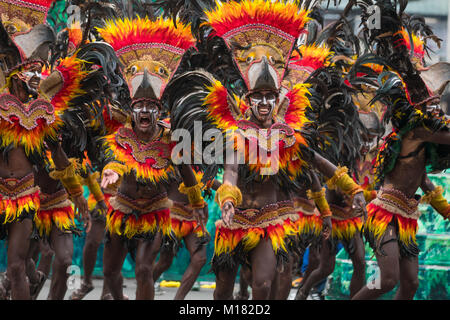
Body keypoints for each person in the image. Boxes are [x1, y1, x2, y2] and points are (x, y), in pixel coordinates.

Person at [165, 0, 367, 300]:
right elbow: (231, 171)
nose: (263, 103)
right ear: (248, 97)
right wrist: (229, 199)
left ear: (277, 101)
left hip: (271, 220)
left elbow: (317, 164)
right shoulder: (237, 133)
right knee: (222, 291)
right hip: (235, 219)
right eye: (257, 96)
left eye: (269, 97)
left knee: (261, 285)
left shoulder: (288, 136)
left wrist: (352, 190)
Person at [97, 14, 206, 300]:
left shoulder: (171, 139)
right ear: (131, 110)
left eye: (151, 106)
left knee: (145, 269)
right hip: (121, 208)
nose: (145, 112)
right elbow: (117, 160)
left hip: (155, 212)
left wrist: (197, 204)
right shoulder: (121, 133)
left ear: (159, 110)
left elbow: (185, 172)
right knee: (110, 272)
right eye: (139, 106)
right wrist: (111, 172)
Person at [351, 0, 450, 300]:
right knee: (388, 279)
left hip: (406, 215)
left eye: (437, 102)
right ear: (420, 107)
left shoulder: (423, 134)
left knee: (410, 285)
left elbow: (419, 178)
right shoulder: (418, 130)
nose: (437, 106)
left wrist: (444, 209)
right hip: (383, 213)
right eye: (433, 103)